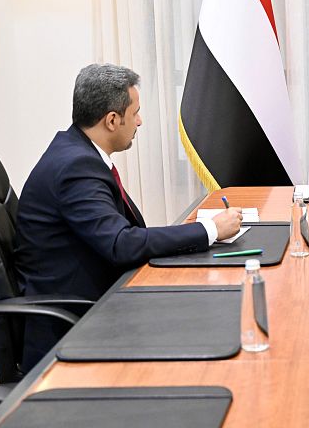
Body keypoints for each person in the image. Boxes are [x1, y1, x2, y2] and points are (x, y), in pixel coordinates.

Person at [14, 63, 243, 371]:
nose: (139, 121)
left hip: (101, 295)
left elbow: (124, 233)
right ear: (112, 120)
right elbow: (121, 243)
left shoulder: (78, 152)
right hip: (74, 322)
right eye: (135, 113)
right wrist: (209, 230)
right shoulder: (75, 168)